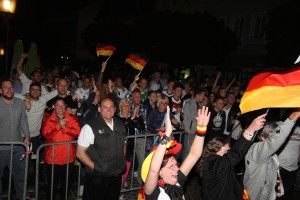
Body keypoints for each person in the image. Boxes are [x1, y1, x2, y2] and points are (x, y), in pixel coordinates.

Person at [141, 105, 210, 199]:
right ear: (159, 172)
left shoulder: (177, 180)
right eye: (171, 166)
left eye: (176, 164)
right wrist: (167, 135)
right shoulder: (153, 191)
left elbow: (194, 154)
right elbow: (153, 170)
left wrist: (201, 128)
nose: (177, 169)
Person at [197, 113, 267, 200]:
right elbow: (234, 155)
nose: (228, 151)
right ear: (217, 149)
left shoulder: (218, 161)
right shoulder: (212, 162)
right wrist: (250, 130)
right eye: (226, 150)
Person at [76, 98, 127, 200]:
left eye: (111, 107)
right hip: (97, 177)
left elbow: (124, 144)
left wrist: (121, 159)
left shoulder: (120, 124)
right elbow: (80, 153)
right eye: (105, 107)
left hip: (115, 174)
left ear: (115, 109)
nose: (109, 109)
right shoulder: (90, 126)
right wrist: (96, 167)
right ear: (99, 109)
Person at [244, 108, 300, 200]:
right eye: (273, 134)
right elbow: (275, 141)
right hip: (254, 196)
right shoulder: (256, 150)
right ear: (264, 136)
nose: (278, 138)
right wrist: (294, 116)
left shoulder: (272, 154)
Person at [42, 98, 80, 200]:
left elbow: (77, 132)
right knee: (52, 185)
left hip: (68, 157)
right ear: (54, 106)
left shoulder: (71, 119)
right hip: (52, 158)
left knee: (66, 184)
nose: (60, 108)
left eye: (63, 105)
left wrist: (65, 129)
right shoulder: (49, 119)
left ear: (65, 107)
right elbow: (45, 134)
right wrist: (58, 125)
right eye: (58, 105)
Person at [0, 79, 30, 200]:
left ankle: (20, 197)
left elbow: (23, 120)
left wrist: (27, 136)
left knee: (20, 176)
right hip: (1, 148)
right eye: (6, 87)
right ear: (1, 90)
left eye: (11, 87)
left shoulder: (19, 103)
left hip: (18, 146)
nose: (9, 89)